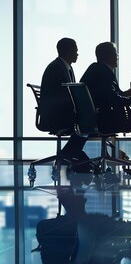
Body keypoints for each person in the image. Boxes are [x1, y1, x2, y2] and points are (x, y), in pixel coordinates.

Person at [81, 42, 131, 173]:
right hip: (106, 120)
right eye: (116, 54)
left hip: (96, 117)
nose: (117, 57)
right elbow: (112, 99)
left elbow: (109, 95)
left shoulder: (96, 69)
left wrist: (126, 94)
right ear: (109, 55)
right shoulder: (104, 72)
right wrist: (130, 99)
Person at [39, 38, 89, 167]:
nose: (77, 53)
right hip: (55, 116)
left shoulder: (64, 67)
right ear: (68, 50)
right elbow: (64, 97)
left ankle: (74, 156)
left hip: (59, 113)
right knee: (87, 123)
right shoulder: (57, 69)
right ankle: (68, 155)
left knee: (86, 121)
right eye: (76, 50)